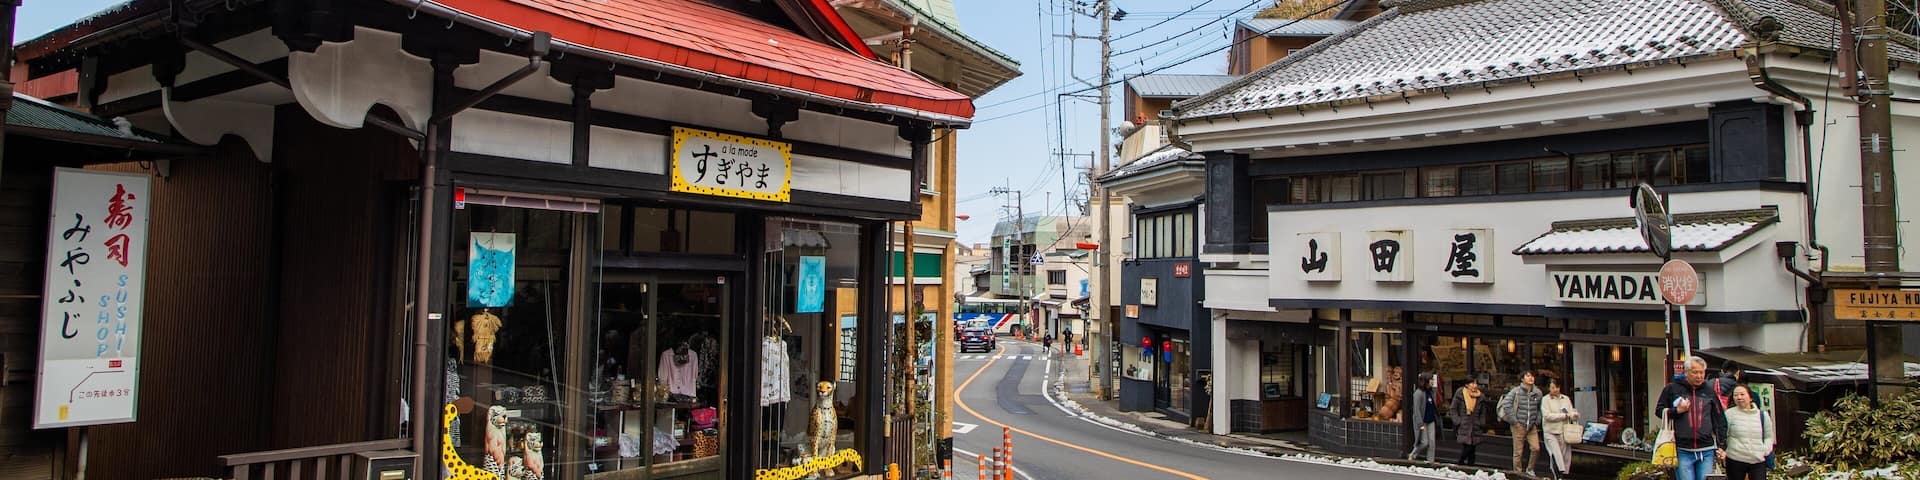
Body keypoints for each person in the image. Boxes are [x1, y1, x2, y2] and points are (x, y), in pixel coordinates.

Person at [1658, 356, 1728, 480]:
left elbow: (1719, 419)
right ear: (1686, 372)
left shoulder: (1709, 390)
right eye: (1695, 372)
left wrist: (1722, 445)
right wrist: (1677, 411)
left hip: (1706, 449)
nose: (1699, 376)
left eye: (1701, 372)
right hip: (1682, 448)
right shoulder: (1672, 388)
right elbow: (1659, 411)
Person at [1722, 384, 1774, 480]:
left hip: (1757, 460)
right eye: (1736, 395)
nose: (1739, 397)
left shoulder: (1763, 415)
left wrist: (1765, 450)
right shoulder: (1729, 414)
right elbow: (1724, 435)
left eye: (1742, 394)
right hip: (1735, 459)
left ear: (1750, 397)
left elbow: (1769, 437)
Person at [1499, 371, 1545, 476]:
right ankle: (1518, 473)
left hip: (1531, 426)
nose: (1531, 378)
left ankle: (1530, 469)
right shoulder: (1516, 391)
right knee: (1518, 452)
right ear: (1522, 379)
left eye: (1532, 376)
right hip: (1518, 425)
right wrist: (1514, 421)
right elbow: (1506, 404)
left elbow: (1540, 408)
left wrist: (1537, 420)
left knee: (1536, 448)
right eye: (1528, 376)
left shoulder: (1538, 393)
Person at [1541, 378, 1581, 479]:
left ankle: (1563, 475)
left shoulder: (1565, 398)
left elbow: (1570, 411)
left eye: (1557, 387)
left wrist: (1574, 415)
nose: (1555, 390)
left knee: (1565, 456)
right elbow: (1547, 416)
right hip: (1550, 432)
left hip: (1563, 432)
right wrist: (1564, 416)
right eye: (1553, 387)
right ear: (1549, 388)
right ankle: (1557, 475)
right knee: (1556, 454)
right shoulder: (1546, 400)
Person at [1451, 377, 1488, 466]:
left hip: (1475, 425)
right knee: (1467, 447)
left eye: (1476, 384)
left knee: (1472, 448)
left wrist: (1481, 422)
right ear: (1467, 385)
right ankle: (1460, 463)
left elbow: (1483, 412)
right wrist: (1458, 421)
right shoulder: (1460, 393)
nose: (1475, 386)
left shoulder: (1481, 396)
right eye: (1472, 383)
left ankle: (1471, 467)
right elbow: (1453, 409)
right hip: (1464, 425)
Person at [1407, 373, 1440, 462]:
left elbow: (1434, 401)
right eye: (1431, 379)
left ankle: (1430, 460)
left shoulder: (1431, 391)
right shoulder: (1418, 393)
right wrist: (1420, 423)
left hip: (1431, 419)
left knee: (1432, 442)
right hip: (1422, 421)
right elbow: (1416, 409)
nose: (1432, 381)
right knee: (1424, 442)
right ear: (1426, 381)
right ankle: (1413, 454)